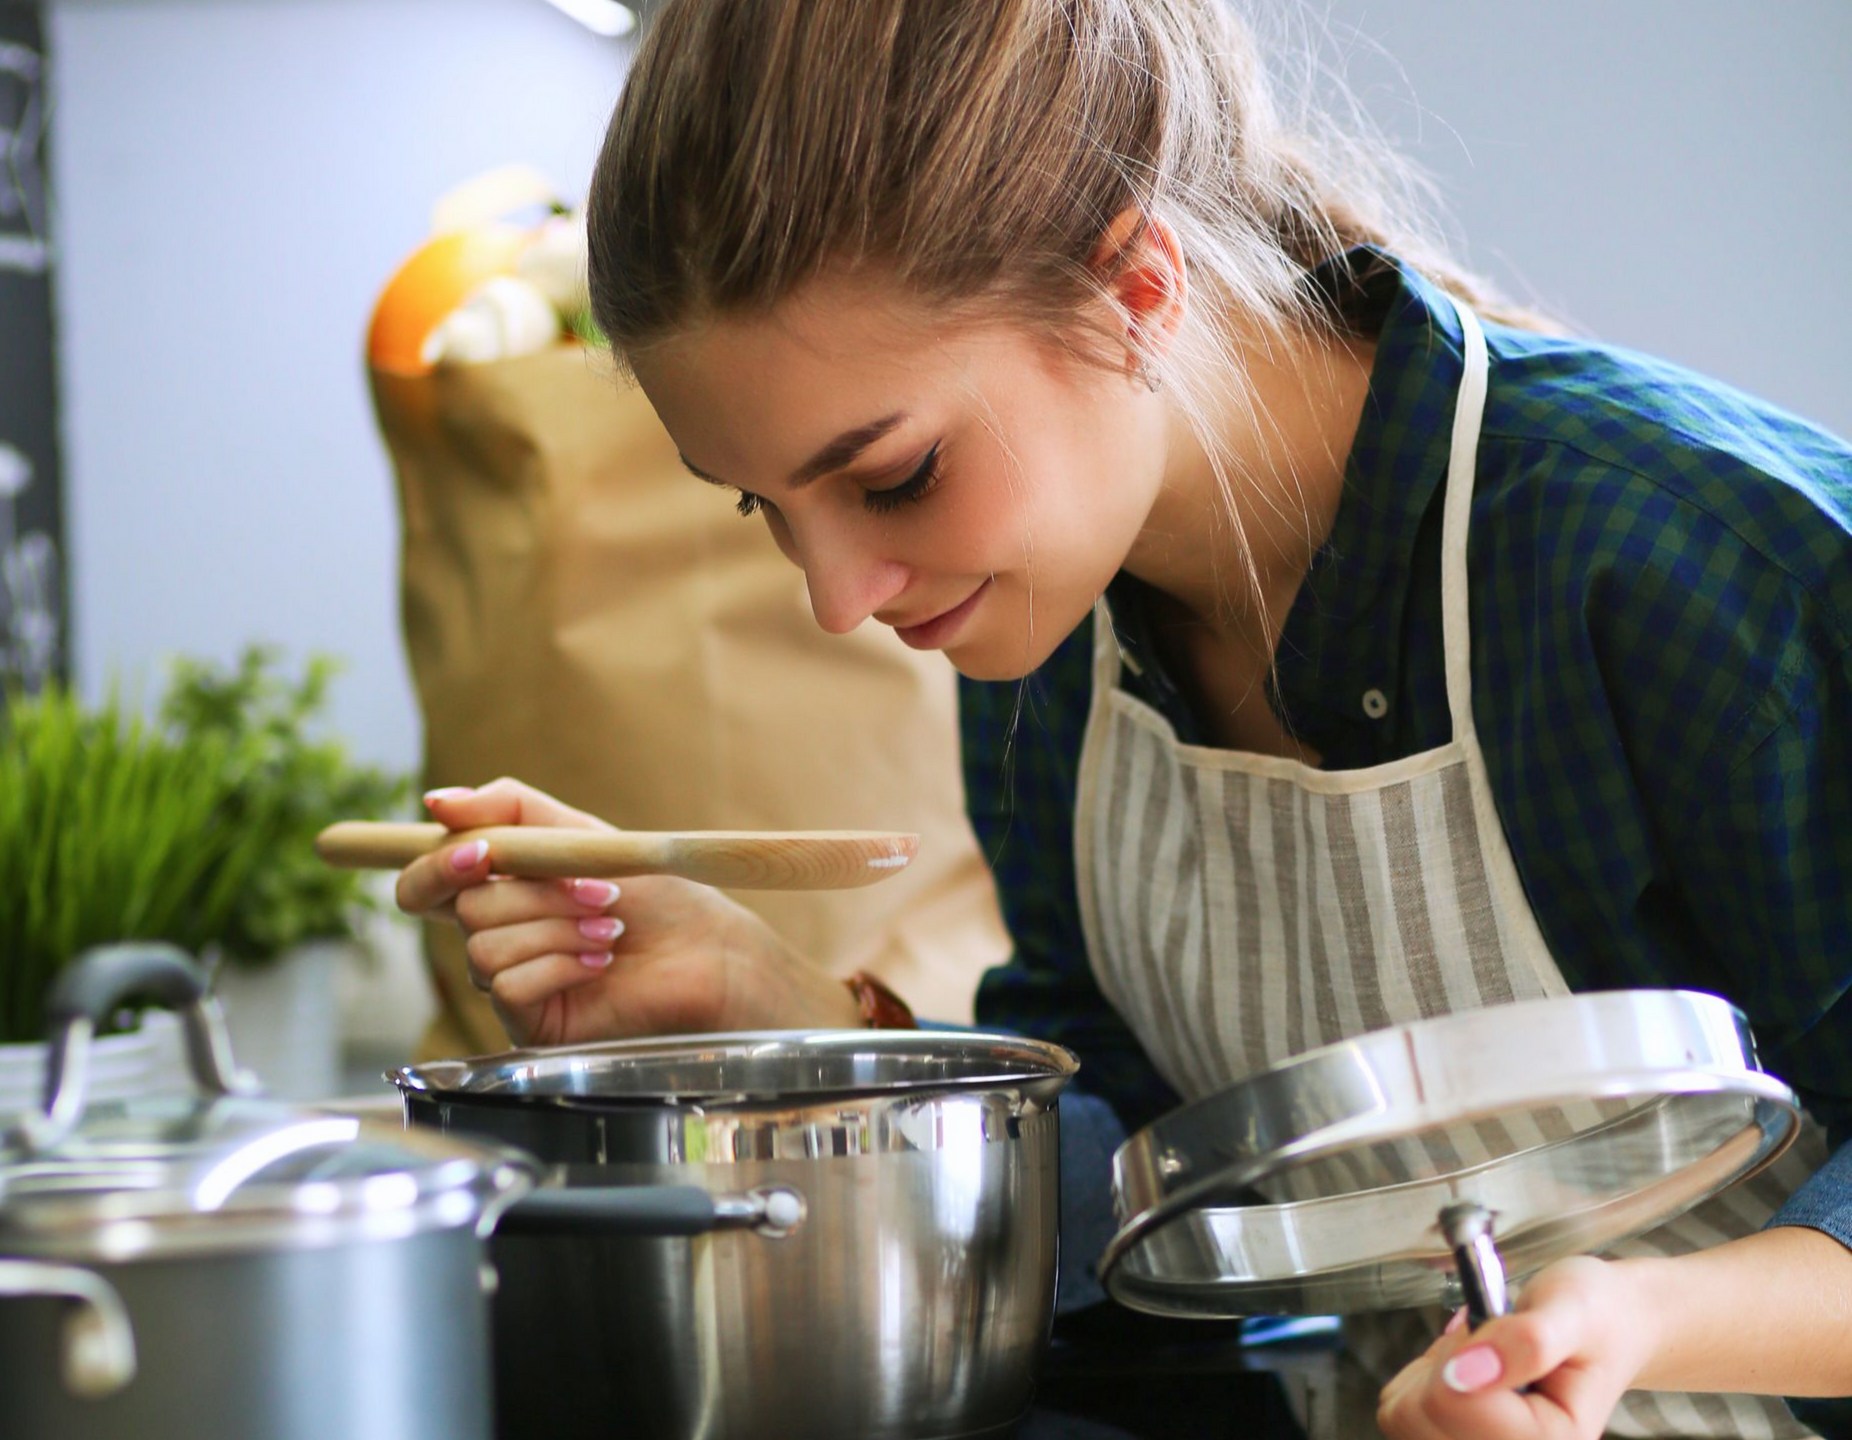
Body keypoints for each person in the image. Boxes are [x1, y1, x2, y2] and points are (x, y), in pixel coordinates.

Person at [392, 2, 1852, 1436]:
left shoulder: (1686, 562)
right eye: (763, 507)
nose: (839, 597)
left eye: (893, 476)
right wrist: (765, 1006)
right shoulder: (1054, 641)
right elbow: (1153, 1190)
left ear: (1134, 290)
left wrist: (1626, 1328)